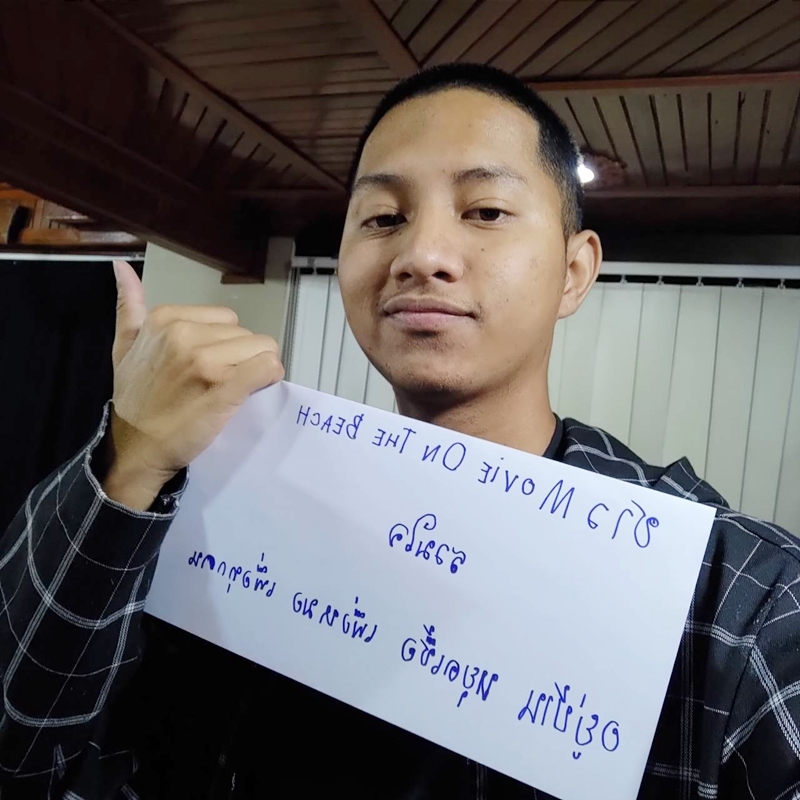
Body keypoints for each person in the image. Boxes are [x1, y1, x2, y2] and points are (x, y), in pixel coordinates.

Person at [1, 62, 798, 800]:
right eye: (383, 217)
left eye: (485, 211)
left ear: (573, 270)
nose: (422, 255)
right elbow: (28, 757)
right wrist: (129, 456)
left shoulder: (736, 599)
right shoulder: (212, 499)